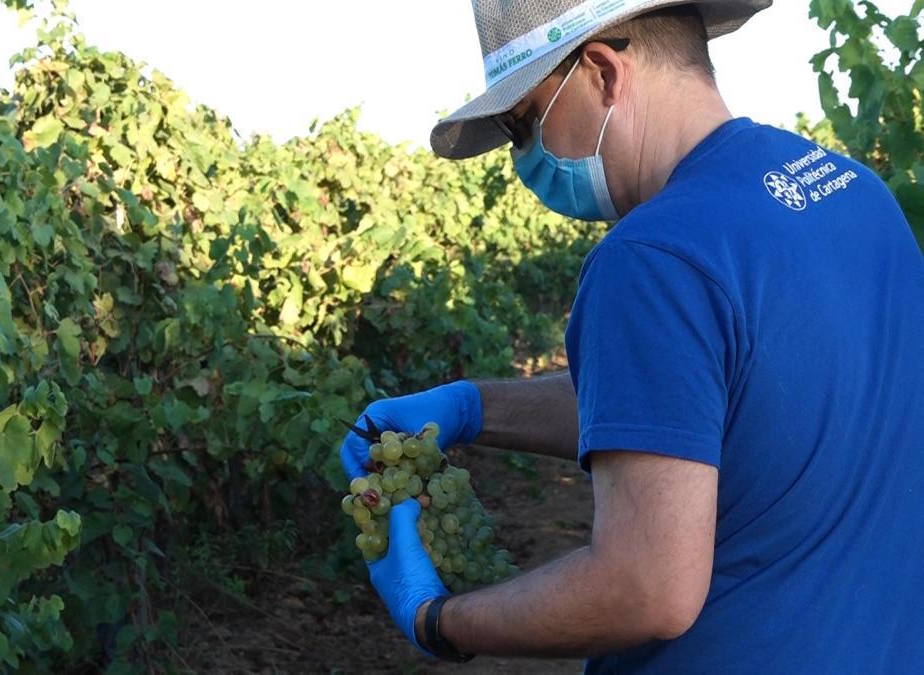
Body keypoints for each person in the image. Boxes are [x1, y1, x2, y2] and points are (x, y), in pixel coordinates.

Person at [338, 0, 924, 671]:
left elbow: (646, 588)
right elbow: (695, 407)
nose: (523, 158)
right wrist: (473, 407)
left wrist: (440, 619)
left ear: (603, 73)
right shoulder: (855, 192)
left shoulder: (650, 258)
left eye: (523, 123)